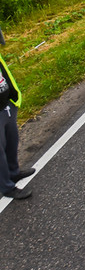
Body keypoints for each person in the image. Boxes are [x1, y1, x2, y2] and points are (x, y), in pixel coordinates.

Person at [1, 28, 34, 200]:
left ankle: (14, 172)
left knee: (12, 141)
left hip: (7, 104)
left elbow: (5, 74)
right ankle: (7, 187)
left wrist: (15, 98)